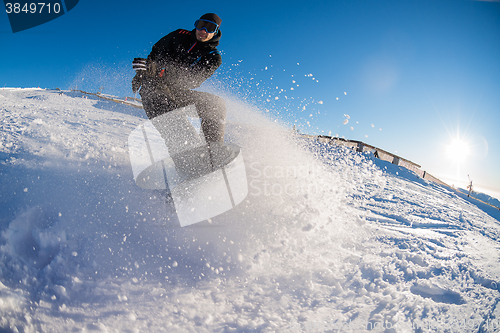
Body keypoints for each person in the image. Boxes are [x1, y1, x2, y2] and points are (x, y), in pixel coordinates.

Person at [132, 13, 226, 151]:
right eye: (201, 25)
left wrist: (159, 70)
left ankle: (214, 152)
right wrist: (144, 70)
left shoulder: (212, 57)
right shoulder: (178, 35)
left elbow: (192, 80)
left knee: (216, 105)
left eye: (210, 27)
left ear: (216, 31)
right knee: (154, 89)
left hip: (178, 91)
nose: (203, 31)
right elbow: (156, 50)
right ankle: (186, 149)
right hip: (156, 86)